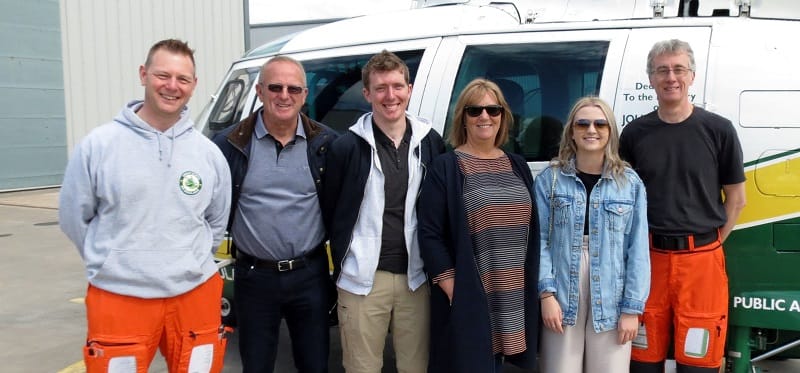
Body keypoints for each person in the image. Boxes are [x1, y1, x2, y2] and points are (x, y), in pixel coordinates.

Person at [59, 39, 232, 373]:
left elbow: (215, 220)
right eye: (162, 75)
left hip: (195, 293)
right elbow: (73, 218)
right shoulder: (99, 146)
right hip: (119, 295)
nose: (172, 86)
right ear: (143, 74)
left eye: (183, 79)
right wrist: (112, 259)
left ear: (194, 85)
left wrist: (188, 259)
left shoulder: (208, 153)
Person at [619, 39, 746, 373]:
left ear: (692, 76)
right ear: (651, 79)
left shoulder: (718, 130)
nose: (670, 77)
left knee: (698, 361)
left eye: (678, 69)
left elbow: (737, 199)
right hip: (648, 264)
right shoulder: (634, 134)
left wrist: (714, 241)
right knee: (643, 359)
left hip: (702, 264)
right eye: (662, 70)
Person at [321, 50, 446, 373]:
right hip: (363, 280)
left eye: (397, 86)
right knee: (362, 368)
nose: (390, 96)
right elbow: (332, 210)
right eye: (380, 88)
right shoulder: (346, 147)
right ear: (367, 94)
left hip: (416, 279)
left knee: (416, 367)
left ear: (410, 88)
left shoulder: (430, 142)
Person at [212, 55, 338, 373]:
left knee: (315, 365)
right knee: (256, 365)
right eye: (276, 87)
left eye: (294, 88)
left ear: (305, 94)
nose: (285, 95)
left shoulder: (326, 144)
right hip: (254, 277)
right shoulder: (228, 145)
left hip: (309, 275)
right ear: (259, 90)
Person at [417, 78, 540, 372]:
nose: (484, 117)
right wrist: (453, 287)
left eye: (492, 110)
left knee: (497, 363)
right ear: (463, 117)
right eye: (475, 110)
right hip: (472, 292)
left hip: (512, 292)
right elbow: (430, 232)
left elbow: (532, 231)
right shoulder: (447, 166)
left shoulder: (517, 165)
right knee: (472, 362)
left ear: (503, 116)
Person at [535, 96, 650, 373]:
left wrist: (632, 309)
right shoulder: (549, 179)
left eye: (600, 124)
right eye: (582, 124)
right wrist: (546, 295)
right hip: (562, 292)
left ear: (610, 132)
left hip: (612, 295)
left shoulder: (629, 183)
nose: (591, 130)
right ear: (571, 132)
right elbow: (539, 240)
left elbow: (638, 249)